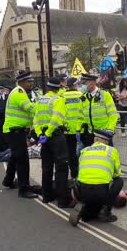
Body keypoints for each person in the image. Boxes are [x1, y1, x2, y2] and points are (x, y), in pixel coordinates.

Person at [69, 129, 123, 226]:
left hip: (81, 191)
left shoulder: (84, 151)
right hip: (101, 191)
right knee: (119, 181)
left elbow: (80, 170)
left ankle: (84, 207)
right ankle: (105, 211)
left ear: (95, 140)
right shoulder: (112, 151)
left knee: (90, 208)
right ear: (106, 141)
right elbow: (117, 173)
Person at [34, 77, 74, 208]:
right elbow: (56, 118)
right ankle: (63, 200)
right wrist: (48, 133)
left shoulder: (41, 100)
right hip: (55, 135)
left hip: (44, 137)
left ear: (47, 87)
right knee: (61, 167)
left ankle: (47, 196)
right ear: (59, 88)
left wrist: (40, 133)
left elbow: (36, 119)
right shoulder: (58, 100)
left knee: (47, 167)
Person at [2, 71, 38, 199]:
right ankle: (24, 189)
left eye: (31, 81)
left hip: (15, 131)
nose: (31, 83)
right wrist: (44, 103)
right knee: (22, 160)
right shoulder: (19, 93)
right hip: (14, 131)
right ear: (22, 82)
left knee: (15, 157)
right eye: (29, 81)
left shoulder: (21, 92)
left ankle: (8, 180)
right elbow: (31, 109)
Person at [80, 73, 119, 147]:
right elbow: (81, 116)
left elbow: (113, 114)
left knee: (105, 156)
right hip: (89, 134)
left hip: (103, 134)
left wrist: (110, 129)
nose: (83, 86)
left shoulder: (105, 94)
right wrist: (80, 130)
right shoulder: (83, 97)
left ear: (92, 82)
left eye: (85, 83)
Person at [63, 77, 84, 179]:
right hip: (80, 129)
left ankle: (73, 174)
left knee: (70, 153)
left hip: (67, 130)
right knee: (82, 151)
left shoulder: (62, 96)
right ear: (76, 85)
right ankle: (82, 172)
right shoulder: (81, 95)